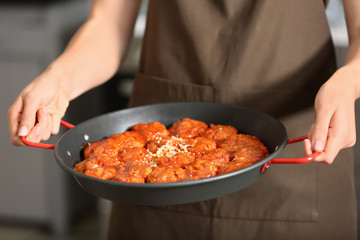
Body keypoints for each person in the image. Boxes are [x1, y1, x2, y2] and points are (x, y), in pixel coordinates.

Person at [7, 0, 360, 239]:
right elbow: (108, 24)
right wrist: (58, 79)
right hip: (147, 172)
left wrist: (346, 85)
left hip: (292, 149)